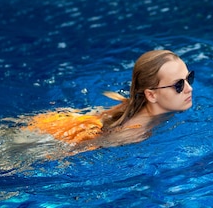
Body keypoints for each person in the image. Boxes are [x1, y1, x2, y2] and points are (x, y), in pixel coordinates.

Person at [25, 49, 195, 150]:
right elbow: (76, 150)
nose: (189, 88)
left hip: (64, 123)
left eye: (189, 78)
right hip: (49, 135)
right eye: (179, 85)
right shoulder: (134, 133)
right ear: (151, 95)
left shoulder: (143, 109)